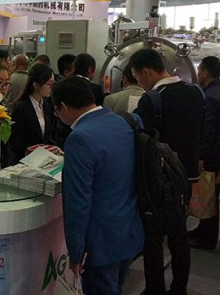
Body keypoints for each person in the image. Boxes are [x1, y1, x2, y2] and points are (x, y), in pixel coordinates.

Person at [52, 77, 143, 295]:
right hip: (129, 229)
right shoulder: (127, 121)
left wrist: (76, 252)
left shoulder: (80, 138)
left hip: (100, 241)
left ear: (63, 107)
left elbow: (78, 202)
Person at [130, 48, 204, 295]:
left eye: (138, 77)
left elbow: (141, 138)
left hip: (159, 179)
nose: (139, 83)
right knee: (179, 235)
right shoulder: (195, 92)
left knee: (153, 238)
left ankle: (155, 289)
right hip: (186, 177)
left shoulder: (152, 99)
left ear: (147, 72)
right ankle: (179, 288)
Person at [188, 56, 220, 250]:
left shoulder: (210, 96)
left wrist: (201, 156)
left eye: (199, 71)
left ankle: (207, 239)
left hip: (211, 154)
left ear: (205, 73)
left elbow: (208, 129)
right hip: (219, 151)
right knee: (210, 193)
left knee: (208, 195)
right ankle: (203, 229)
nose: (198, 74)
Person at [8, 64, 56, 163]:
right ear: (36, 85)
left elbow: (48, 135)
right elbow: (15, 142)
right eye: (49, 84)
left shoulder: (47, 105)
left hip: (43, 160)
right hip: (25, 160)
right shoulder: (22, 107)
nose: (52, 88)